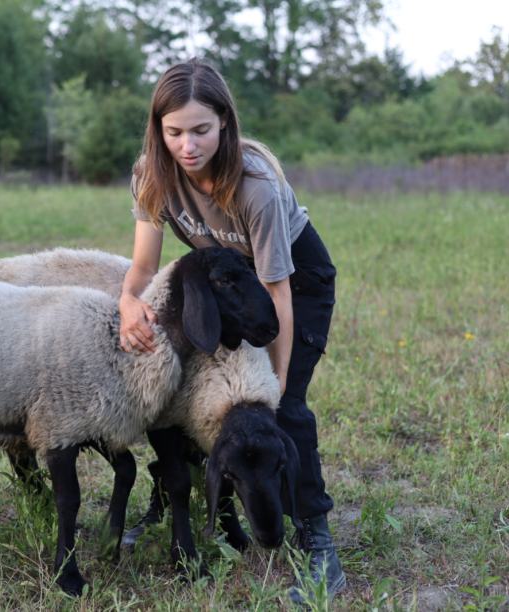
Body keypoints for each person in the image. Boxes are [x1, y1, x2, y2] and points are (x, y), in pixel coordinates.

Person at [118, 58, 345, 603]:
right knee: (186, 395)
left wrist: (277, 380)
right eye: (174, 132)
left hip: (294, 284)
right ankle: (175, 502)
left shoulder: (254, 187)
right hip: (229, 283)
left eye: (201, 130)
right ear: (158, 129)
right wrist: (128, 300)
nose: (188, 145)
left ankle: (317, 542)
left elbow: (280, 293)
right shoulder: (152, 173)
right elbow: (146, 267)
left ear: (225, 122)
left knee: (279, 411)